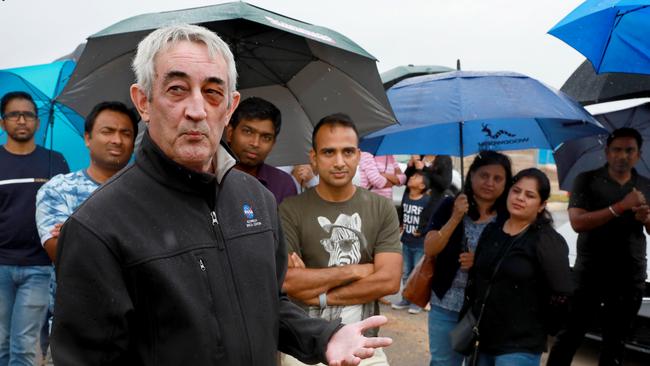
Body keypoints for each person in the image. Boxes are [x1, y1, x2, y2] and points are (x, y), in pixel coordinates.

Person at [50, 24, 391, 366]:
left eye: (213, 92)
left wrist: (323, 336)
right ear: (144, 102)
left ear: (230, 107)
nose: (197, 110)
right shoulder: (98, 227)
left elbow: (269, 305)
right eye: (177, 89)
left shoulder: (258, 199)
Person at [280, 113, 403, 366]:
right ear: (313, 158)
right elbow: (290, 282)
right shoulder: (290, 210)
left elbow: (389, 280)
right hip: (306, 349)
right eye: (328, 152)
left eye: (347, 152)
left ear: (358, 156)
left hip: (365, 347)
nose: (339, 162)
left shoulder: (381, 208)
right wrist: (359, 270)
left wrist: (318, 295)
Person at [548, 127, 650, 366]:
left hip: (629, 276)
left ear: (638, 154)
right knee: (570, 335)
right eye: (616, 149)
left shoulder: (645, 186)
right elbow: (577, 223)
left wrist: (646, 218)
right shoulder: (586, 180)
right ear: (607, 152)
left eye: (629, 150)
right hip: (589, 274)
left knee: (615, 343)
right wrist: (620, 207)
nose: (622, 155)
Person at [464, 168, 573, 365]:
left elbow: (562, 292)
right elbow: (477, 279)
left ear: (542, 205)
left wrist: (541, 328)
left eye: (530, 195)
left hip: (520, 346)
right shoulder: (492, 230)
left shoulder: (547, 241)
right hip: (482, 339)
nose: (520, 198)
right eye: (516, 191)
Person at [422, 151, 512, 366]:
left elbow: (516, 263)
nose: (489, 182)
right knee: (443, 363)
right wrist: (455, 216)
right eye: (483, 175)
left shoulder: (508, 216)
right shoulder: (449, 206)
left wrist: (479, 262)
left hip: (487, 309)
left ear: (506, 183)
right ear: (471, 176)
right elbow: (430, 249)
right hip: (446, 305)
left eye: (497, 178)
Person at [0, 91, 69, 366]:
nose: (21, 120)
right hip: (0, 264)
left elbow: (66, 208)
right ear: (2, 122)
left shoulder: (55, 161)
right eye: (13, 115)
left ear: (38, 122)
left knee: (25, 346)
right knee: (1, 344)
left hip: (39, 267)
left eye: (28, 114)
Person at [226, 96, 297, 204]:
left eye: (266, 137)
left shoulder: (282, 184)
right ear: (230, 133)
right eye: (248, 132)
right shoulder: (209, 176)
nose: (255, 143)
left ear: (273, 144)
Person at [391, 170, 431, 314]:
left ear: (422, 186)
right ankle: (406, 298)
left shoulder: (426, 200)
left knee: (417, 273)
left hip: (419, 244)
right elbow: (402, 212)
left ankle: (417, 302)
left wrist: (423, 230)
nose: (412, 177)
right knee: (407, 272)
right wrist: (401, 224)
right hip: (407, 241)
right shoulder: (406, 196)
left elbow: (430, 219)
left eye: (416, 177)